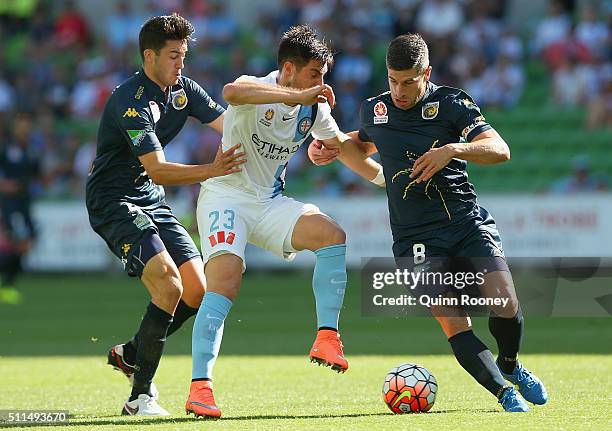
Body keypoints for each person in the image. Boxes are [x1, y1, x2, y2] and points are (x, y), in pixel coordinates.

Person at [308, 34, 548, 412]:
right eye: (392, 80)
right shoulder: (375, 109)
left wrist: (454, 148)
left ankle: (510, 365)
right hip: (414, 238)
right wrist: (328, 145)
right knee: (454, 321)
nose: (398, 91)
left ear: (427, 74)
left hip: (465, 223)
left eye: (408, 81)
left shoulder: (451, 103)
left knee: (504, 302)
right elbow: (365, 141)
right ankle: (504, 393)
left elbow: (500, 149)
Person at [185, 25, 368, 418]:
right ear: (288, 69)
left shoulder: (314, 106)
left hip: (268, 203)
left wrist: (385, 176)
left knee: (331, 235)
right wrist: (300, 95)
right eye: (314, 74)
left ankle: (327, 337)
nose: (321, 84)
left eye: (323, 75)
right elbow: (231, 93)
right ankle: (200, 387)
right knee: (226, 282)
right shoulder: (256, 87)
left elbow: (340, 148)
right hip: (225, 196)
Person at [85, 13, 245, 416]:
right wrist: (212, 169)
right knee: (169, 286)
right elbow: (157, 167)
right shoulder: (129, 101)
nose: (181, 64)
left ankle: (133, 353)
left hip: (150, 199)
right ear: (149, 56)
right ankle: (141, 398)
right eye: (174, 56)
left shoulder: (183, 90)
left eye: (184, 55)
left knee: (196, 288)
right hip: (114, 201)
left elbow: (232, 127)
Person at [0, 113, 39, 305]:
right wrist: (4, 184)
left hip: (25, 202)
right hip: (11, 202)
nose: (24, 129)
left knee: (29, 240)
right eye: (21, 125)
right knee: (18, 240)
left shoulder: (31, 150)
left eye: (27, 126)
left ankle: (7, 284)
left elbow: (36, 173)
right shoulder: (7, 148)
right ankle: (7, 286)